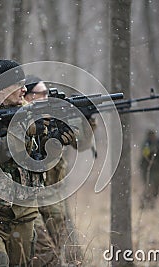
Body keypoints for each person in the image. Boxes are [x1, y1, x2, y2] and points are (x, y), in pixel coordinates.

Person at [0, 60, 76, 267]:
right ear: (2, 88)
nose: (25, 89)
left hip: (24, 212)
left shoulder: (27, 112)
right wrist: (23, 131)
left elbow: (39, 161)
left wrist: (55, 140)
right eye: (19, 84)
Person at [24, 75, 96, 266]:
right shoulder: (22, 121)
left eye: (48, 93)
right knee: (42, 252)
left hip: (53, 193)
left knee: (63, 247)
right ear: (28, 96)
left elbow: (82, 143)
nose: (46, 97)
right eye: (41, 93)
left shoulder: (53, 117)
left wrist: (87, 120)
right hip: (30, 196)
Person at [139, 129, 159, 209]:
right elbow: (146, 153)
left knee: (156, 189)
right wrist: (156, 147)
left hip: (158, 170)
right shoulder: (147, 144)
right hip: (148, 169)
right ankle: (143, 205)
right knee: (150, 188)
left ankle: (151, 205)